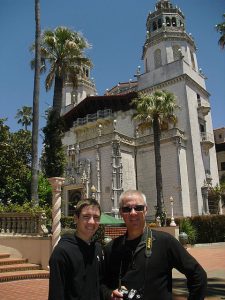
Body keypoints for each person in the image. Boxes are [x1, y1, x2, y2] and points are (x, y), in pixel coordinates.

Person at [100, 190, 207, 300]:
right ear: (121, 213)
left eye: (138, 208)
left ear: (146, 210)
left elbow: (198, 275)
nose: (133, 213)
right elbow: (101, 285)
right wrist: (110, 295)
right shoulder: (111, 248)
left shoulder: (165, 242)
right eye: (127, 209)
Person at [48, 198, 103, 300]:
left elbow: (99, 286)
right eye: (86, 217)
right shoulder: (62, 252)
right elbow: (56, 294)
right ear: (76, 218)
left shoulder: (97, 249)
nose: (91, 222)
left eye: (96, 217)